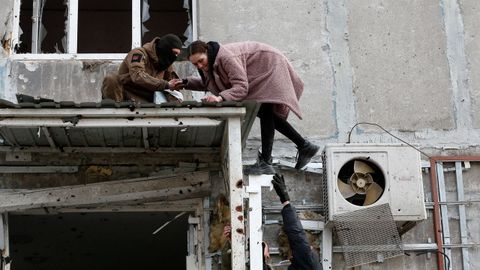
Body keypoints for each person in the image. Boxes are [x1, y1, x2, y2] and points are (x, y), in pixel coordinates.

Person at [184, 40, 320, 174]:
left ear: (207, 51)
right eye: (195, 64)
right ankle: (303, 146)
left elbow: (241, 87)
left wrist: (219, 97)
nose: (200, 66)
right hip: (259, 68)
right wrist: (185, 82)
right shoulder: (211, 63)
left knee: (264, 108)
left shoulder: (225, 57)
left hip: (269, 64)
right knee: (263, 110)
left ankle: (267, 161)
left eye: (201, 60)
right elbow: (208, 83)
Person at [101, 34, 185, 103]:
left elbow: (172, 84)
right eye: (174, 53)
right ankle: (114, 113)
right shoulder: (139, 54)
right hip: (127, 93)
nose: (175, 57)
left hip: (148, 99)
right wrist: (165, 85)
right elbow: (137, 76)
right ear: (165, 48)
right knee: (111, 79)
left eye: (177, 54)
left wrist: (181, 84)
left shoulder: (166, 63)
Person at [272, 173, 322, 270]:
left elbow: (297, 235)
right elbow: (298, 237)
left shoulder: (309, 260)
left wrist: (285, 201)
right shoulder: (307, 260)